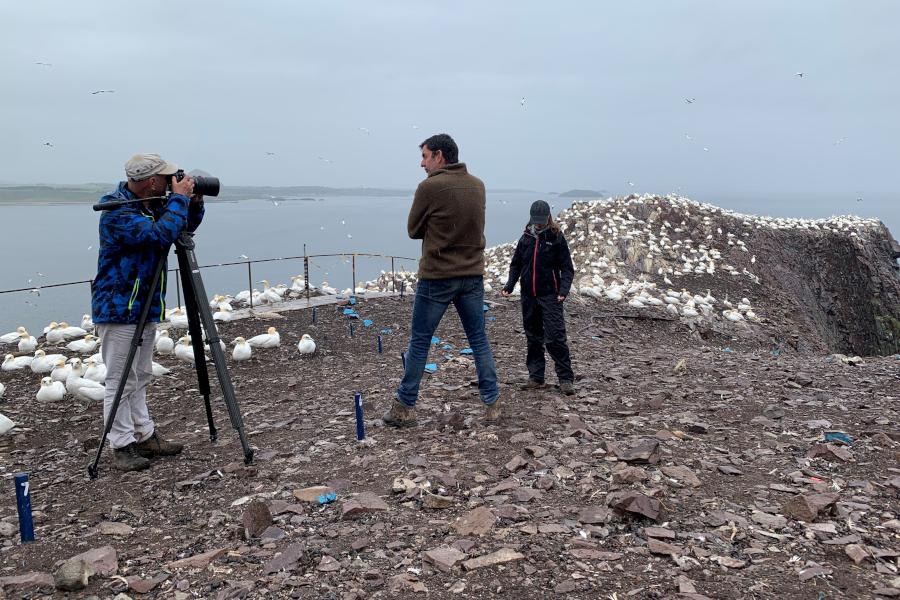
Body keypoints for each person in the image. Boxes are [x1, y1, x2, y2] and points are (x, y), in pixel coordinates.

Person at [91, 153, 204, 471]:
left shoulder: (150, 205)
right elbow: (158, 236)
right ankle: (121, 444)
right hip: (120, 308)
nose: (170, 183)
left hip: (145, 304)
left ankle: (144, 434)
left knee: (140, 375)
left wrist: (192, 203)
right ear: (152, 180)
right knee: (119, 378)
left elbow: (182, 228)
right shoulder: (117, 209)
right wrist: (178, 200)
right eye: (167, 178)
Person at [384, 134, 501, 427]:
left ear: (439, 156)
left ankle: (404, 407)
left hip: (437, 276)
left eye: (425, 156)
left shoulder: (429, 187)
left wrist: (434, 225)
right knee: (478, 340)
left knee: (420, 342)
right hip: (472, 274)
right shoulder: (478, 186)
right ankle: (493, 403)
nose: (422, 164)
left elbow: (413, 229)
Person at [501, 200, 576, 394]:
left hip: (551, 295)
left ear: (548, 217)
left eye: (542, 220)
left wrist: (563, 291)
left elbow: (567, 268)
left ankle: (565, 379)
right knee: (533, 337)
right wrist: (509, 285)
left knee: (555, 337)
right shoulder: (526, 237)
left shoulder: (556, 237)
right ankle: (536, 376)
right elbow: (516, 264)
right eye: (537, 220)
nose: (540, 223)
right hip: (528, 295)